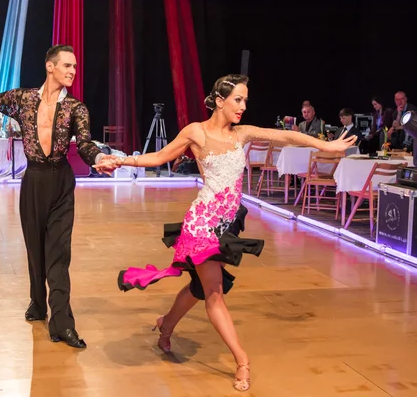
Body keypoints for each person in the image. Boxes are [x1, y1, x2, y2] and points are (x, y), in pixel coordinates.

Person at [95, 74, 357, 391]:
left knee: (200, 287)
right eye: (238, 99)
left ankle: (166, 326)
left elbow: (285, 137)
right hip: (202, 222)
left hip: (227, 223)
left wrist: (325, 144)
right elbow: (159, 157)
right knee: (214, 294)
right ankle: (242, 361)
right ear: (220, 101)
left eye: (246, 100)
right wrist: (120, 160)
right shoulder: (196, 132)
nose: (243, 106)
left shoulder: (242, 133)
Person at [0, 45, 117, 348]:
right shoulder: (22, 99)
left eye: (74, 66)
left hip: (60, 181)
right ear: (49, 66)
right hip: (33, 181)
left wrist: (97, 158)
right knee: (35, 248)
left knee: (58, 254)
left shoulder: (76, 108)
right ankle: (37, 302)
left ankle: (63, 323)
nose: (72, 71)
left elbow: (84, 143)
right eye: (67, 65)